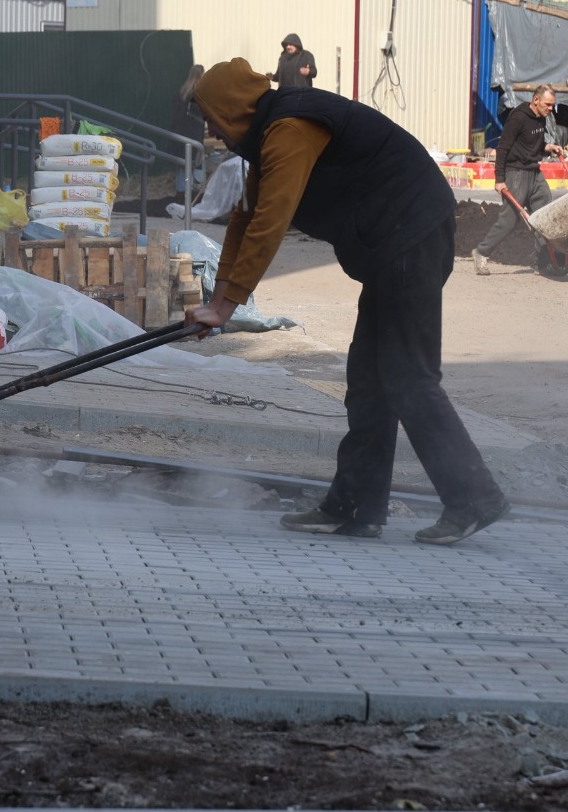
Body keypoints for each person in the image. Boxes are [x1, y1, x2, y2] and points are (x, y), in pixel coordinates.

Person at [186, 58, 510, 545]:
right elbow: (243, 221)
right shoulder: (272, 131)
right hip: (393, 243)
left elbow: (272, 222)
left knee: (407, 377)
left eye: (210, 115)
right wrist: (218, 303)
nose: (209, 127)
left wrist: (227, 306)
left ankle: (474, 499)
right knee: (368, 381)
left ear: (231, 106)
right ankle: (356, 506)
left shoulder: (290, 129)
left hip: (410, 234)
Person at [472, 85, 565, 276]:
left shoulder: (542, 118)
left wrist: (548, 147)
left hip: (534, 172)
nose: (550, 109)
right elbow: (503, 148)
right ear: (536, 100)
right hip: (515, 173)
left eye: (552, 105)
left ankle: (544, 262)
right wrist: (499, 179)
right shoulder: (518, 117)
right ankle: (481, 252)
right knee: (510, 220)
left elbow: (533, 145)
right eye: (548, 104)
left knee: (545, 216)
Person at [169, 64, 206, 200]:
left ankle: (181, 189)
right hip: (194, 131)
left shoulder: (183, 91)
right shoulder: (197, 92)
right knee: (195, 160)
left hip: (181, 131)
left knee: (183, 162)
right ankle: (194, 191)